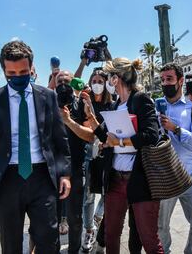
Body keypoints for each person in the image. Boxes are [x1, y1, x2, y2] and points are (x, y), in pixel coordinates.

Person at [0, 41, 71, 254]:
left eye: (23, 72)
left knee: (48, 240)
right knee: (11, 244)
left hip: (42, 177)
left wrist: (64, 174)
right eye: (12, 73)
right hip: (7, 180)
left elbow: (59, 139)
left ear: (32, 69)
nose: (18, 76)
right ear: (4, 71)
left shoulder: (48, 96)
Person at [86, 57, 164, 254]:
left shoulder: (140, 99)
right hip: (115, 179)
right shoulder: (114, 106)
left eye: (110, 76)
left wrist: (121, 142)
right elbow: (106, 137)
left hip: (140, 179)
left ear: (117, 78)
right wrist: (92, 118)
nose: (107, 81)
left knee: (149, 239)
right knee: (111, 234)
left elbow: (151, 135)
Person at [157, 62, 192, 254]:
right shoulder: (155, 106)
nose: (165, 83)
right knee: (161, 227)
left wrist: (176, 129)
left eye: (169, 79)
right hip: (164, 177)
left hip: (190, 176)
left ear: (180, 81)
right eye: (162, 80)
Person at [55, 70, 95, 254]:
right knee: (49, 217)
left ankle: (73, 250)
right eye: (59, 81)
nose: (63, 83)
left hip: (75, 170)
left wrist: (69, 121)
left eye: (66, 80)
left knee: (74, 217)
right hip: (50, 170)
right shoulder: (47, 105)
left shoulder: (81, 105)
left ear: (73, 84)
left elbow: (90, 136)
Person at [79, 68, 112, 252]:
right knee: (88, 195)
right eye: (94, 80)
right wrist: (88, 108)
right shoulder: (84, 103)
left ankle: (98, 217)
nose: (97, 84)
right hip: (89, 155)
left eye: (101, 81)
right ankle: (89, 230)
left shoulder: (112, 104)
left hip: (108, 154)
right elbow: (86, 128)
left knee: (108, 193)